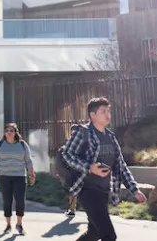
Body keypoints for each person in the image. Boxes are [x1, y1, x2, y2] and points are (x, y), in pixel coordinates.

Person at [62, 97, 147, 241]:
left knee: (93, 233)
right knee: (109, 236)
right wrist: (89, 168)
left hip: (103, 191)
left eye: (108, 111)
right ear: (92, 114)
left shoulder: (111, 136)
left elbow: (120, 165)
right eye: (103, 111)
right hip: (87, 191)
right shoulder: (82, 133)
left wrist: (134, 189)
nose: (107, 114)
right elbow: (67, 154)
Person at [0, 123, 35, 236]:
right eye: (7, 130)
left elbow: (28, 161)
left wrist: (32, 175)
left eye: (11, 130)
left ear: (15, 132)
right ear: (4, 133)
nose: (9, 132)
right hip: (3, 176)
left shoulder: (22, 145)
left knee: (20, 200)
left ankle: (19, 224)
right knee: (7, 200)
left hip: (20, 176)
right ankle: (8, 225)